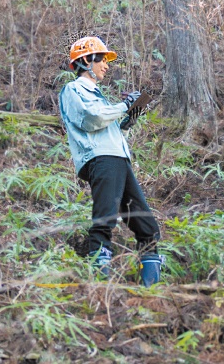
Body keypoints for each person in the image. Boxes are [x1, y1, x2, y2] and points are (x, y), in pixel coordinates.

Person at [58, 36, 162, 287]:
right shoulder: (73, 90)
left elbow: (109, 129)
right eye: (101, 59)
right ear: (85, 61)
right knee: (104, 219)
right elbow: (90, 119)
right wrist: (123, 105)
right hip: (101, 159)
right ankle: (100, 289)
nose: (106, 65)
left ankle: (152, 290)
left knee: (146, 226)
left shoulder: (99, 95)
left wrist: (129, 117)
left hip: (118, 159)